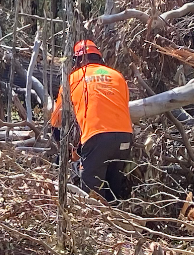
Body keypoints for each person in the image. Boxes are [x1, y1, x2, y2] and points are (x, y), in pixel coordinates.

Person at [50, 39, 135, 202]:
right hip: (125, 137)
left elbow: (56, 122)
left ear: (77, 60)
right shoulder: (117, 76)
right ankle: (116, 224)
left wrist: (65, 151)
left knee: (91, 193)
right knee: (113, 189)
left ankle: (97, 226)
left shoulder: (72, 79)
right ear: (99, 57)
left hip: (97, 137)